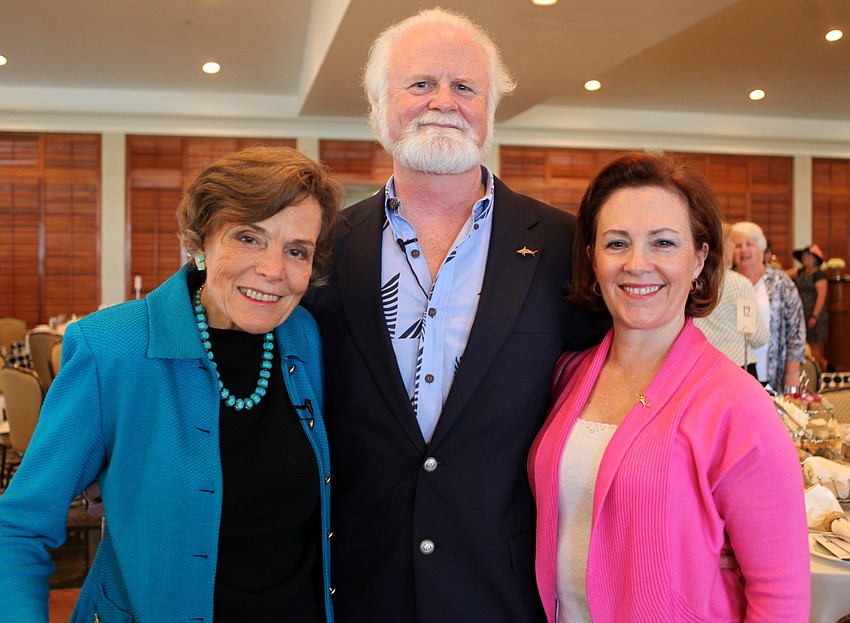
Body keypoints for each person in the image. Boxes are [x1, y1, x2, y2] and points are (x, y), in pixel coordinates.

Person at [303, 7, 601, 621]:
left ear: (491, 109)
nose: (444, 100)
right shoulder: (326, 246)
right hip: (360, 584)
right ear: (378, 104)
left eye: (464, 86)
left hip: (503, 586)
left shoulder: (563, 247)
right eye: (420, 83)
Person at [0, 146, 342, 622]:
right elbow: (17, 528)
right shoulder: (111, 347)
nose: (273, 270)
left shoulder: (304, 336)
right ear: (201, 242)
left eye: (296, 250)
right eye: (248, 237)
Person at [528, 152, 810, 622]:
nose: (638, 264)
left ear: (699, 258)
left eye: (663, 243)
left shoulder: (737, 406)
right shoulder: (567, 374)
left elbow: (781, 597)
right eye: (617, 244)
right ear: (593, 258)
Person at [731, 221, 806, 392]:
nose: (744, 250)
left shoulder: (781, 282)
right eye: (738, 245)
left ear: (761, 248)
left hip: (772, 373)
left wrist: (792, 373)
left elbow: (796, 330)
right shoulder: (726, 282)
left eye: (749, 244)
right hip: (734, 375)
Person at [694, 222, 770, 376]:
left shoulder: (694, 281)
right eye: (732, 242)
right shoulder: (739, 284)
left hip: (701, 366)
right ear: (722, 245)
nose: (734, 247)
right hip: (738, 366)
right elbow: (759, 336)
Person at [787, 244, 830, 372]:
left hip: (815, 314)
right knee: (804, 344)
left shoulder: (819, 275)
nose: (805, 258)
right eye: (804, 256)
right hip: (801, 313)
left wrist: (815, 316)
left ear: (815, 259)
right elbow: (783, 274)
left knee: (815, 345)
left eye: (808, 256)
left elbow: (822, 296)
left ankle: (821, 371)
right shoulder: (800, 272)